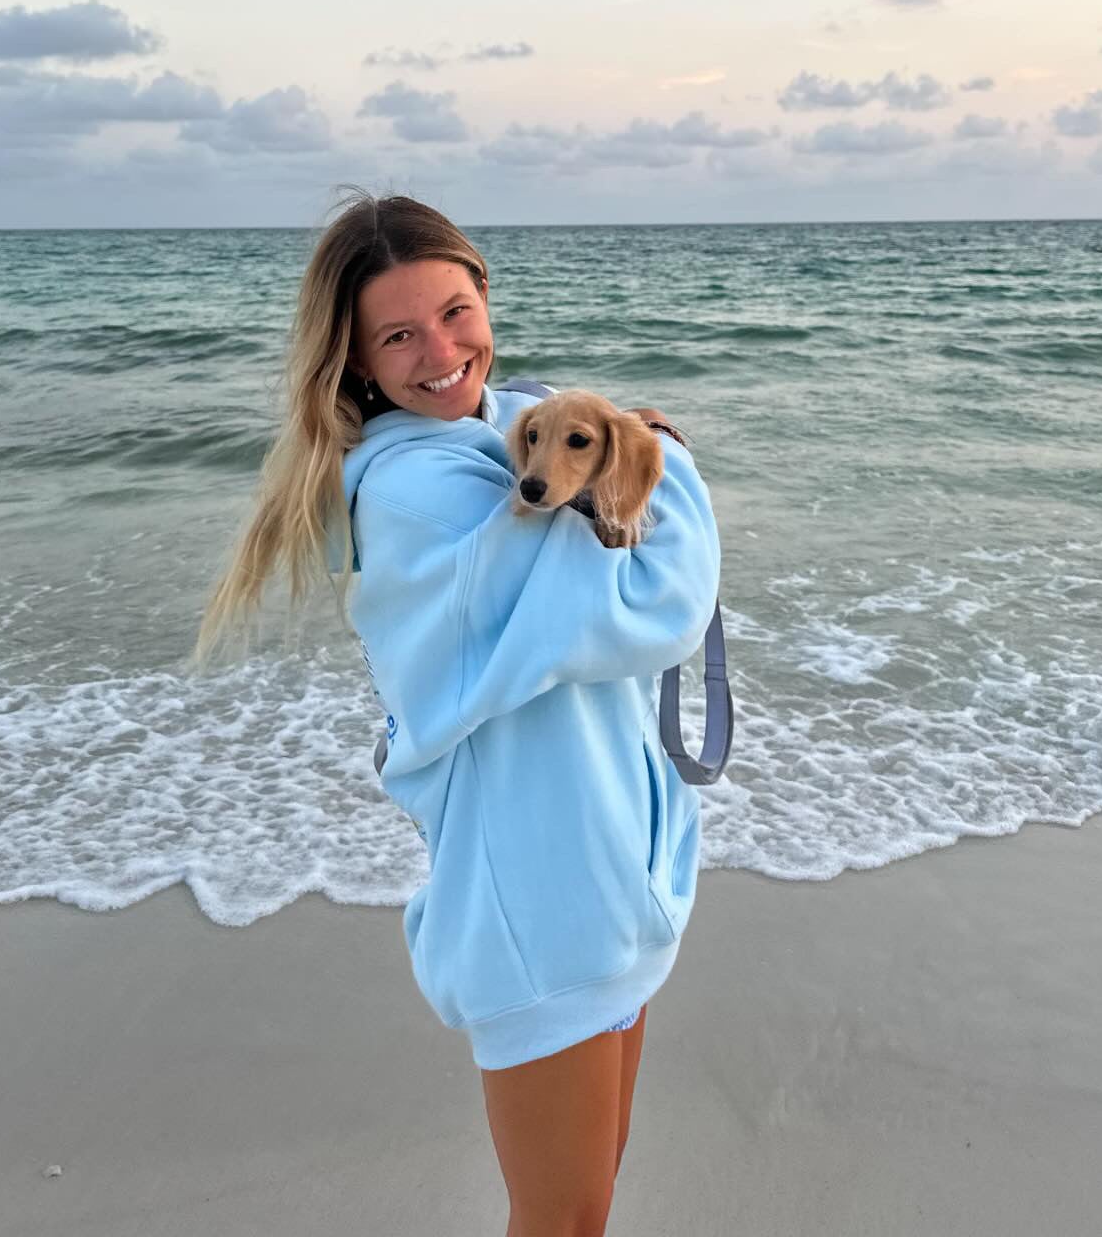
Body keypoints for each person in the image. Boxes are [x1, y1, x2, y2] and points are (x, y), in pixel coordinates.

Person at [193, 188, 721, 1235]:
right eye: (397, 335)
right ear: (354, 361)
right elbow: (656, 604)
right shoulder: (419, 491)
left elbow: (581, 503)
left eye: (453, 313)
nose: (440, 352)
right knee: (562, 1220)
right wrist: (670, 461)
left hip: (611, 867)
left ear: (486, 291)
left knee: (592, 1199)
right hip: (545, 896)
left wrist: (603, 439)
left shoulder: (500, 431)